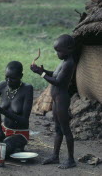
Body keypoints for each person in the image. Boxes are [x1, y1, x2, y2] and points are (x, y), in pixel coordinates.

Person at [30, 34, 76, 169]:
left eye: (59, 51)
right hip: (56, 99)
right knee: (57, 129)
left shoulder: (69, 63)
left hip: (62, 99)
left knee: (65, 129)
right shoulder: (64, 62)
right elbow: (54, 75)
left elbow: (58, 81)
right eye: (56, 50)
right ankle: (55, 156)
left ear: (69, 49)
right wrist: (44, 71)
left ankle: (71, 160)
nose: (57, 53)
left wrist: (41, 73)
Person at [0, 61, 33, 158]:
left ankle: (16, 148)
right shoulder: (3, 85)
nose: (8, 81)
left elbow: (24, 121)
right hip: (2, 131)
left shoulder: (27, 89)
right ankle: (13, 151)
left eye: (12, 78)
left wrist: (3, 112)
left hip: (19, 134)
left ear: (21, 76)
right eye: (6, 77)